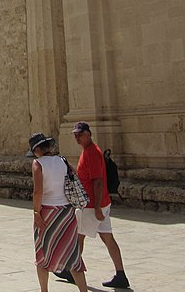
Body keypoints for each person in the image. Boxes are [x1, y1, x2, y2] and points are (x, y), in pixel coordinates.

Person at [57, 121, 129, 289]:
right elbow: (86, 177)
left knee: (77, 238)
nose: (77, 138)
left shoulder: (91, 153)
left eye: (80, 134)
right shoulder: (88, 152)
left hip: (91, 205)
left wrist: (96, 207)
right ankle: (121, 275)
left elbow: (97, 182)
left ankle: (72, 271)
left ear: (88, 134)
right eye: (75, 135)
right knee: (107, 237)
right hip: (99, 203)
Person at [28, 132, 87, 292]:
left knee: (42, 254)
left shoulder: (37, 164)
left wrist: (36, 212)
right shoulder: (63, 161)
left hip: (47, 212)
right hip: (66, 213)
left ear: (37, 150)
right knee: (73, 255)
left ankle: (44, 290)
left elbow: (38, 191)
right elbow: (76, 177)